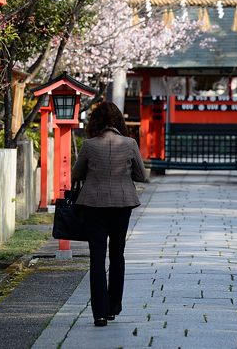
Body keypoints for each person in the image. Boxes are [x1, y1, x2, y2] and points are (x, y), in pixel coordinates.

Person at [71, 101, 147, 327]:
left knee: (96, 258)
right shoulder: (130, 143)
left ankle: (100, 314)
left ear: (96, 122)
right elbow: (141, 175)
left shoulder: (89, 145)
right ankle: (114, 306)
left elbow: (76, 174)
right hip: (122, 205)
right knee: (117, 254)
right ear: (118, 121)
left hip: (94, 205)